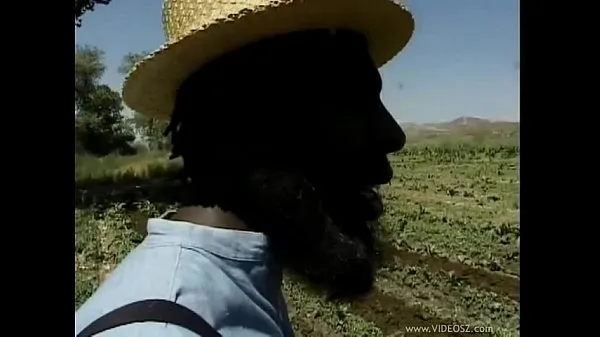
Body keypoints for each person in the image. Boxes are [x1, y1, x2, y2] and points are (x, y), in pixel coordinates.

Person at [75, 0, 414, 336]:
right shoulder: (159, 331)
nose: (393, 135)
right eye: (354, 99)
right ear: (250, 118)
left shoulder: (240, 276)